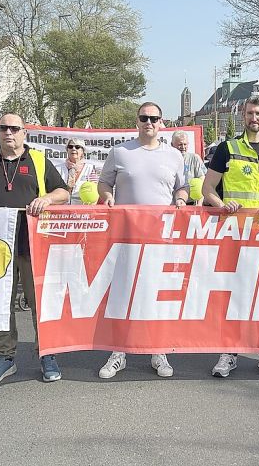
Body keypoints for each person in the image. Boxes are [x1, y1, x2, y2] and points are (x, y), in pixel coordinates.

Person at [0, 113, 71, 385]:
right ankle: (4, 357)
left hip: (32, 244)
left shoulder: (38, 161)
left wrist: (46, 199)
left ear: (24, 133)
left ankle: (46, 354)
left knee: (39, 304)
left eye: (14, 128)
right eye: (3, 128)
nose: (8, 133)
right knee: (0, 304)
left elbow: (63, 192)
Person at [96, 103, 189, 380]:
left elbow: (180, 186)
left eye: (154, 118)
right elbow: (104, 183)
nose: (149, 122)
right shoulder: (120, 152)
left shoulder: (173, 155)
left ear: (162, 123)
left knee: (155, 294)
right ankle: (118, 352)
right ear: (136, 121)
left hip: (160, 238)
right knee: (123, 293)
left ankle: (157, 350)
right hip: (126, 236)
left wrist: (182, 198)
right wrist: (107, 196)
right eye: (144, 118)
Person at [202, 95, 259, 379]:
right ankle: (229, 351)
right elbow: (207, 189)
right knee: (234, 293)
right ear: (244, 115)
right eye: (251, 113)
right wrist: (220, 205)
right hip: (235, 234)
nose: (255, 118)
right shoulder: (227, 148)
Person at [172, 130, 207, 204]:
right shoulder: (167, 160)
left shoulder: (194, 158)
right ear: (172, 144)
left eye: (185, 144)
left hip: (191, 204)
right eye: (180, 144)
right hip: (173, 204)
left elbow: (202, 180)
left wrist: (199, 204)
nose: (183, 147)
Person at [58, 138, 95, 204]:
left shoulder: (90, 168)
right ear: (67, 150)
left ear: (82, 151)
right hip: (62, 210)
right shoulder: (58, 168)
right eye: (70, 147)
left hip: (82, 210)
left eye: (77, 147)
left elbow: (95, 191)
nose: (73, 149)